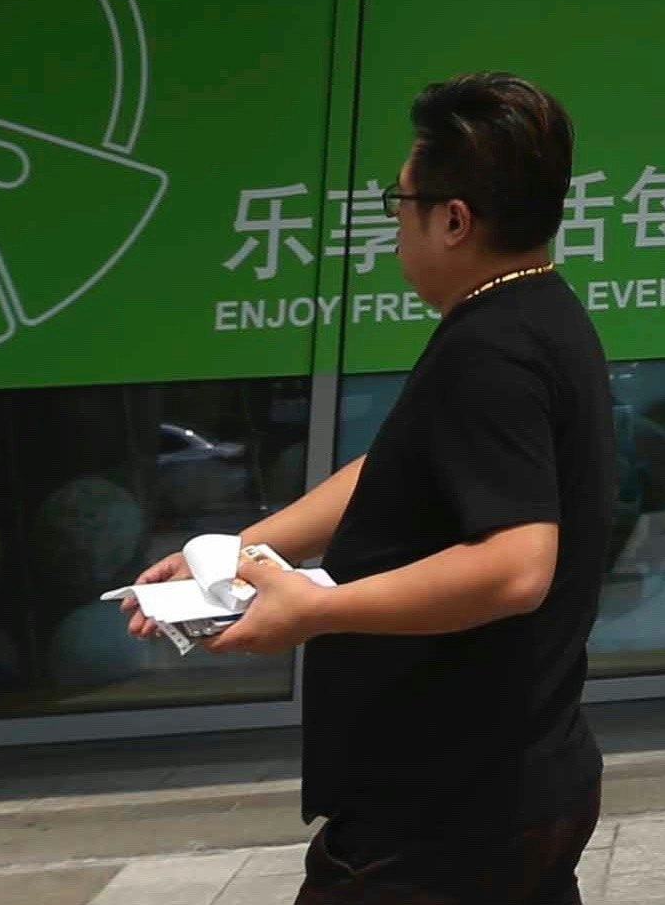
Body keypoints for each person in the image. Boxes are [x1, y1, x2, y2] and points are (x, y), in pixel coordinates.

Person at [152, 76, 617, 905]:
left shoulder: (492, 351)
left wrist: (316, 609)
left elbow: (517, 564)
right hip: (517, 774)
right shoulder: (535, 315)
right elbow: (398, 471)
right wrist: (242, 552)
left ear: (454, 218)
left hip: (444, 812)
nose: (395, 219)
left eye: (400, 201)